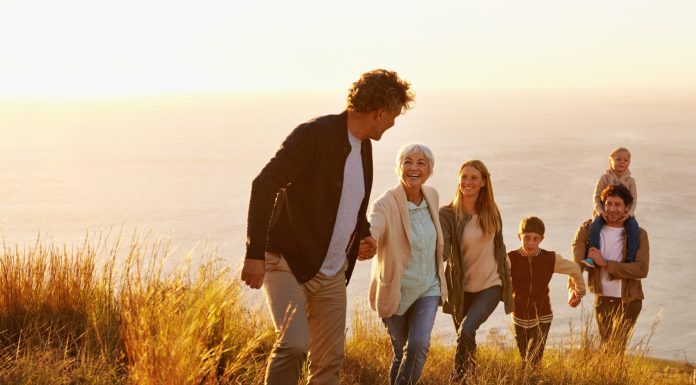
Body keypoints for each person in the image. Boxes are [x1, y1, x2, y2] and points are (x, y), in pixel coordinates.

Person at [241, 69, 414, 385]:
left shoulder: (363, 146)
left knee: (329, 363)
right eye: (393, 116)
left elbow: (348, 200)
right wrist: (254, 254)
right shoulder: (314, 135)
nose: (392, 124)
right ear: (379, 112)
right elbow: (265, 184)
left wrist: (362, 234)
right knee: (294, 345)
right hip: (287, 265)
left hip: (332, 274)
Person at [365, 143, 448, 385]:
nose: (414, 168)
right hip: (397, 290)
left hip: (428, 288)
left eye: (421, 163)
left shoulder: (432, 195)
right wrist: (368, 240)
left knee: (419, 345)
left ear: (429, 170)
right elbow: (374, 226)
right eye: (408, 162)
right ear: (399, 167)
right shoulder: (385, 203)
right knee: (401, 352)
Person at [439, 160, 513, 381]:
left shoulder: (491, 212)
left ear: (483, 183)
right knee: (464, 338)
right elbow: (442, 249)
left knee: (467, 330)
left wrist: (511, 279)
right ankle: (471, 378)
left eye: (473, 178)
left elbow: (500, 248)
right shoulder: (448, 214)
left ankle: (457, 379)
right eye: (464, 177)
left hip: (491, 285)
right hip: (460, 290)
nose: (467, 182)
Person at [572, 184, 649, 353]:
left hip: (630, 299)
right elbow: (576, 264)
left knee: (617, 347)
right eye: (608, 203)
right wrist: (574, 289)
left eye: (617, 204)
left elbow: (641, 269)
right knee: (607, 346)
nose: (612, 209)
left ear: (627, 208)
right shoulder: (590, 230)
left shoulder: (639, 234)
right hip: (603, 299)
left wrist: (605, 263)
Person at [508, 216, 586, 368]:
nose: (530, 243)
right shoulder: (510, 259)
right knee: (525, 359)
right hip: (518, 316)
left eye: (535, 239)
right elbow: (496, 277)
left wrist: (579, 291)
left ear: (541, 239)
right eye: (526, 238)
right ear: (519, 237)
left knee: (534, 358)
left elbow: (575, 269)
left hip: (542, 315)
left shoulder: (550, 258)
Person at [583, 147, 639, 268]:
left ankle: (630, 259)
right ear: (610, 161)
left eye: (626, 160)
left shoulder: (630, 181)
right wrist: (600, 211)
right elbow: (596, 197)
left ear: (629, 163)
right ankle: (592, 257)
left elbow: (634, 200)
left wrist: (629, 213)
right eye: (618, 159)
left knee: (634, 229)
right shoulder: (604, 178)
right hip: (604, 212)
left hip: (625, 213)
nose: (622, 162)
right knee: (594, 227)